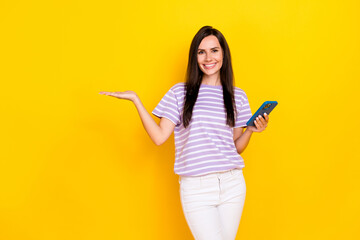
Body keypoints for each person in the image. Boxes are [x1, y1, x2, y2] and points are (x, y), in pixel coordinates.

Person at [100, 26, 269, 240]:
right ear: (194, 57)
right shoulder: (180, 92)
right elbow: (160, 137)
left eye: (214, 50)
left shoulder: (237, 96)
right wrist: (136, 100)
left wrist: (251, 130)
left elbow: (236, 147)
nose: (208, 57)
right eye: (201, 52)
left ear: (223, 54)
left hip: (232, 184)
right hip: (196, 187)